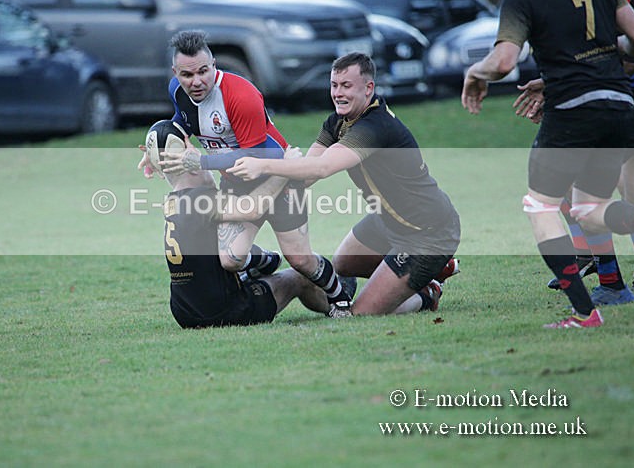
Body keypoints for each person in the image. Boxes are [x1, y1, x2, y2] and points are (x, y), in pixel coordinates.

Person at [461, 0, 634, 328]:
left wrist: (476, 72)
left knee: (540, 206)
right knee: (589, 212)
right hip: (621, 107)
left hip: (573, 113)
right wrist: (607, 57)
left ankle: (584, 313)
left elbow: (505, 61)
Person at [226, 52, 461, 316]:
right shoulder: (337, 122)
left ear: (368, 88)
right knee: (342, 264)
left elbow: (323, 167)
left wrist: (264, 165)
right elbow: (306, 174)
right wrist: (260, 195)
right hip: (387, 219)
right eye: (334, 85)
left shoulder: (375, 126)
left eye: (346, 86)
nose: (338, 93)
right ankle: (427, 270)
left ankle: (427, 292)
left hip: (427, 233)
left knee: (362, 313)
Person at [154, 29, 354, 318]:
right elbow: (181, 124)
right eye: (187, 75)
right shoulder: (177, 91)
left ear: (214, 65)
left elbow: (261, 157)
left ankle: (340, 298)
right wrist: (156, 153)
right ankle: (267, 263)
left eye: (203, 71)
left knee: (299, 258)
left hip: (279, 174)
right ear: (176, 72)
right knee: (231, 259)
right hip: (237, 180)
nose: (196, 81)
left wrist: (202, 162)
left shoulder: (240, 95)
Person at [511, 0, 634, 306]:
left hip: (615, 103)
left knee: (622, 194)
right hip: (590, 105)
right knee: (576, 199)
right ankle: (608, 280)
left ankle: (609, 285)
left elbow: (608, 51)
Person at [146, 122, 330, 328]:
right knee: (299, 278)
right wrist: (284, 169)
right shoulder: (200, 199)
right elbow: (252, 208)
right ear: (193, 169)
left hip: (183, 311)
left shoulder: (172, 202)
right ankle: (337, 304)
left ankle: (264, 266)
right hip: (225, 310)